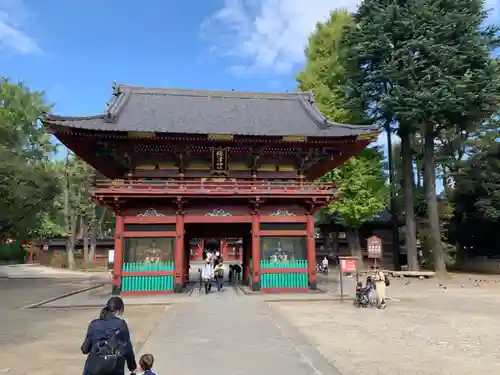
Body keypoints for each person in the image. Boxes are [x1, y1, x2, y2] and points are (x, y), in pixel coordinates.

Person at [82, 296, 137, 375]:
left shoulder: (94, 324)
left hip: (94, 370)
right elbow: (127, 347)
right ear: (119, 311)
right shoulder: (121, 325)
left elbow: (85, 349)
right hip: (115, 369)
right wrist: (132, 368)